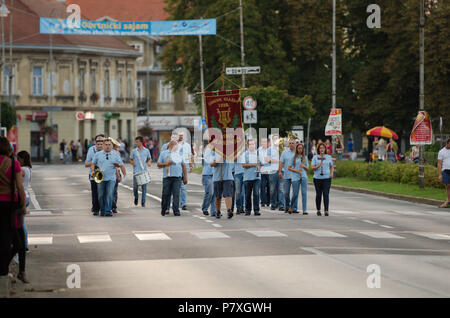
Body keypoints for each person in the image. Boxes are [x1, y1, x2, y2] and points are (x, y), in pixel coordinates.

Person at [0, 137, 26, 297]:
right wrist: (23, 206)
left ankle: (3, 269)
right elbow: (20, 187)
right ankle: (3, 269)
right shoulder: (14, 163)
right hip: (9, 206)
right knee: (15, 241)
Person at [91, 138, 123, 217]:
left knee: (109, 194)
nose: (108, 146)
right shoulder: (98, 154)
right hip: (100, 178)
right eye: (106, 145)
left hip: (111, 178)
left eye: (109, 145)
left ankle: (108, 211)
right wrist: (92, 171)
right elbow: (93, 163)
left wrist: (118, 165)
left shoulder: (115, 154)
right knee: (101, 195)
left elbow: (120, 164)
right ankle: (102, 210)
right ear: (103, 145)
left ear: (112, 146)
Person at [157, 141, 187, 216]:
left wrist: (185, 177)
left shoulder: (179, 154)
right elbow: (158, 164)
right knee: (166, 194)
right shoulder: (164, 153)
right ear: (171, 146)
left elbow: (183, 166)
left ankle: (176, 210)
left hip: (177, 177)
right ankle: (164, 209)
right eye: (175, 146)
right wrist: (166, 164)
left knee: (176, 194)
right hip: (167, 177)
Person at [206, 145, 234, 219]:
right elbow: (211, 163)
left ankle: (229, 210)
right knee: (218, 196)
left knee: (228, 194)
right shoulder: (213, 151)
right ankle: (218, 211)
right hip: (217, 176)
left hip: (227, 176)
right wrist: (218, 160)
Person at [311, 142, 334, 216]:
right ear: (318, 149)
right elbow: (312, 168)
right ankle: (318, 209)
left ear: (325, 149)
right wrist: (318, 165)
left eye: (323, 148)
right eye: (320, 148)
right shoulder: (315, 157)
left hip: (326, 178)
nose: (322, 149)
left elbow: (331, 166)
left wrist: (331, 173)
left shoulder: (328, 157)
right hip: (317, 178)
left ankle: (326, 210)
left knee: (326, 194)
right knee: (318, 194)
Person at [241, 139, 262, 216]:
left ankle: (256, 210)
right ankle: (248, 210)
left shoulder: (258, 154)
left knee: (256, 194)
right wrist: (253, 164)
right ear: (247, 145)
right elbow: (243, 165)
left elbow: (262, 164)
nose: (252, 146)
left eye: (253, 144)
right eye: (250, 144)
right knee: (247, 194)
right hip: (247, 177)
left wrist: (260, 169)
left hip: (257, 177)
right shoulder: (245, 154)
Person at [129, 136, 152, 208]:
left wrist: (149, 162)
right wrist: (132, 162)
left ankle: (143, 202)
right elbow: (130, 159)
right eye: (136, 142)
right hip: (136, 172)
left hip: (144, 171)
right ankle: (136, 197)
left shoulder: (146, 150)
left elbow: (149, 158)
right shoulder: (134, 151)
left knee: (144, 188)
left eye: (137, 142)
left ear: (141, 142)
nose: (136, 143)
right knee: (135, 187)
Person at [85, 135, 104, 215]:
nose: (100, 144)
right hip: (94, 174)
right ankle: (95, 208)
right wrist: (94, 162)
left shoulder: (107, 149)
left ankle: (104, 207)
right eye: (98, 142)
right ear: (95, 143)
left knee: (102, 193)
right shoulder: (91, 150)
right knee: (95, 192)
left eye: (102, 142)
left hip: (104, 174)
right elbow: (86, 164)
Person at [16, 151, 32, 252]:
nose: (17, 161)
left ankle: (24, 246)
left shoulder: (22, 169)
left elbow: (17, 182)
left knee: (21, 224)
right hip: (26, 196)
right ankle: (23, 245)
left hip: (22, 197)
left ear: (22, 159)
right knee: (21, 223)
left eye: (18, 159)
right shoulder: (28, 169)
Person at [287, 143, 309, 215]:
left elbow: (307, 169)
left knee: (304, 193)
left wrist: (303, 166)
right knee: (295, 194)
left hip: (303, 177)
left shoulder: (304, 157)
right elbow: (289, 168)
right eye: (299, 148)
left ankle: (304, 210)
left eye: (301, 148)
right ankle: (291, 206)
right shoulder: (293, 157)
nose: (300, 150)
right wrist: (297, 171)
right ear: (297, 149)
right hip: (295, 177)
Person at [279, 139, 296, 213]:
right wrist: (279, 171)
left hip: (296, 176)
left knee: (295, 193)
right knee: (286, 193)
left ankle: (294, 208)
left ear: (295, 144)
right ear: (289, 144)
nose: (291, 144)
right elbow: (281, 162)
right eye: (290, 143)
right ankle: (287, 206)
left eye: (293, 143)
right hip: (286, 175)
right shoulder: (284, 152)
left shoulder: (298, 152)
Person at [266, 134, 283, 210]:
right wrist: (278, 161)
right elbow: (268, 160)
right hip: (272, 171)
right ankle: (273, 203)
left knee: (281, 189)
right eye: (274, 139)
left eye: (277, 139)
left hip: (281, 170)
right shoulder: (269, 149)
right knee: (272, 189)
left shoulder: (282, 149)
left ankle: (281, 204)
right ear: (272, 140)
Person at [177, 130, 193, 210]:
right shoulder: (175, 145)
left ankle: (184, 203)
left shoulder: (187, 145)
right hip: (177, 166)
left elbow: (189, 155)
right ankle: (176, 202)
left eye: (182, 135)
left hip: (185, 166)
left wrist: (190, 165)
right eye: (179, 135)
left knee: (183, 186)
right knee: (176, 185)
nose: (181, 136)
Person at [201, 138, 217, 217]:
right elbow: (209, 160)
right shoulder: (208, 148)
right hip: (207, 174)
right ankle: (204, 208)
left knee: (215, 194)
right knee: (209, 192)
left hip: (215, 174)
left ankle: (214, 211)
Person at [110, 138, 126, 214]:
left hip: (114, 173)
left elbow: (120, 164)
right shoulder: (116, 153)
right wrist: (119, 175)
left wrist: (123, 173)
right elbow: (117, 166)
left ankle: (112, 206)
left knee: (113, 191)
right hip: (114, 173)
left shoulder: (116, 152)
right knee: (114, 191)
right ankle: (113, 206)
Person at [438, 138, 450, 208]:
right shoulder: (441, 151)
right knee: (448, 186)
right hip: (445, 170)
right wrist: (440, 174)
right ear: (447, 143)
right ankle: (448, 200)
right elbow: (439, 163)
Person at [258, 138, 270, 207]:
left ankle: (268, 201)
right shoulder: (259, 150)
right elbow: (257, 158)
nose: (263, 143)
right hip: (262, 171)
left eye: (265, 142)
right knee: (262, 187)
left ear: (268, 142)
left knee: (269, 187)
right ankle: (263, 201)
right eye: (262, 142)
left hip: (269, 171)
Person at [233, 146, 246, 214]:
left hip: (245, 173)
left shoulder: (247, 151)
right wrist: (240, 153)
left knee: (243, 193)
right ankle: (238, 207)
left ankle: (242, 207)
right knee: (238, 192)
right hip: (237, 174)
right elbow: (233, 159)